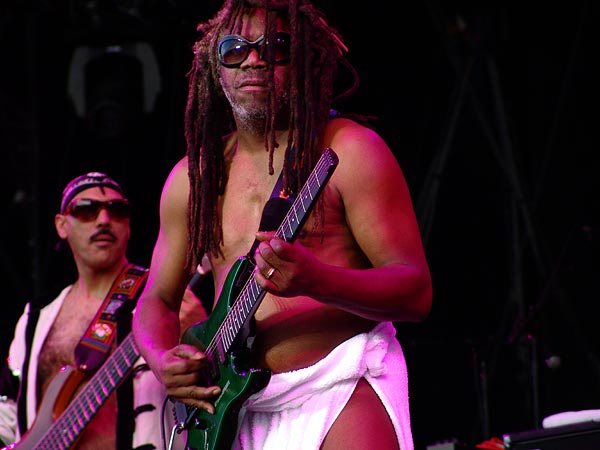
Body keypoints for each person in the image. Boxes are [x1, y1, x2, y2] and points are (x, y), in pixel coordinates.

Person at [132, 1, 433, 449]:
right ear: (216, 69)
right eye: (234, 49)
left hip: (341, 382)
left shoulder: (351, 151)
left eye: (274, 46)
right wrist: (162, 360)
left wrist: (319, 281)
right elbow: (156, 299)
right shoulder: (194, 178)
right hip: (234, 407)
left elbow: (415, 291)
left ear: (305, 60)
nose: (253, 59)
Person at [0, 172, 206, 450]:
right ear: (62, 225)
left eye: (117, 209)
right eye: (86, 210)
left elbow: (206, 378)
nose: (104, 219)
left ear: (129, 225)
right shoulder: (34, 318)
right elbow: (8, 408)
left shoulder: (162, 298)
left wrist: (197, 332)